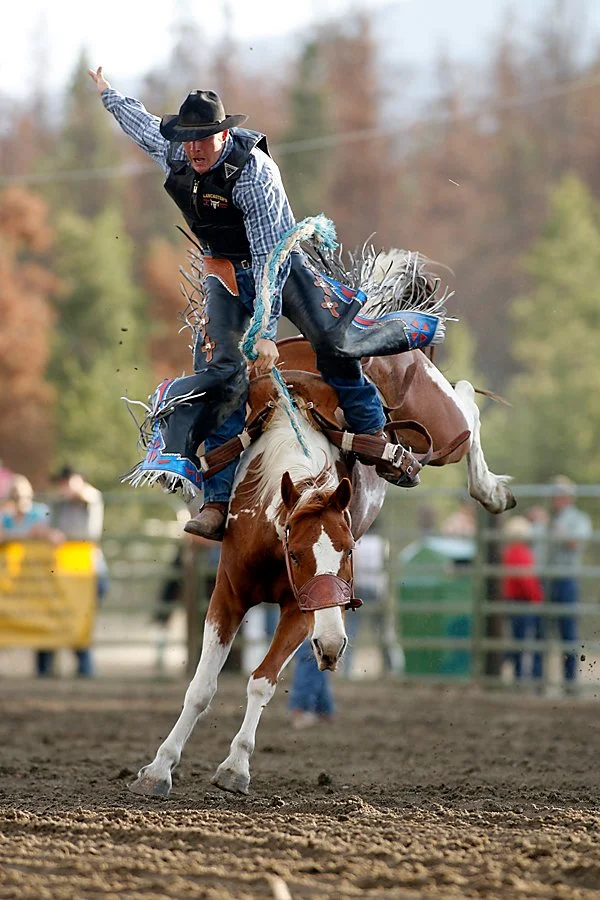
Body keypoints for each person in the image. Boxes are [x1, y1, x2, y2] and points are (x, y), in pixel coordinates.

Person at [88, 67, 446, 541]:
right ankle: (217, 498)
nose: (194, 149)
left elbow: (268, 258)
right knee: (224, 372)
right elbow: (142, 125)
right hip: (223, 269)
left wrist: (264, 331)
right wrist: (109, 95)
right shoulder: (176, 150)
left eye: (203, 139)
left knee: (332, 340)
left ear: (225, 134)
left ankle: (371, 432)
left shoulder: (255, 174)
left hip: (279, 260)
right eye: (188, 139)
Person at [35, 467, 107, 678]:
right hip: (63, 571)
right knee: (56, 617)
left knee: (80, 619)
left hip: (86, 570)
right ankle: (47, 668)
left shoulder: (90, 498)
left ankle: (85, 667)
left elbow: (90, 498)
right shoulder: (58, 505)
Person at [547, 475, 592, 688]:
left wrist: (557, 530)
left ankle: (570, 682)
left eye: (558, 495)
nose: (554, 500)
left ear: (567, 498)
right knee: (543, 632)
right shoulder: (550, 520)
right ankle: (540, 682)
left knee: (568, 633)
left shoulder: (578, 519)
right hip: (548, 580)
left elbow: (576, 543)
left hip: (567, 580)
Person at [501, 515, 544, 683]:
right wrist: (537, 599)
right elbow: (527, 580)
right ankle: (523, 676)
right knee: (522, 640)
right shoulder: (521, 553)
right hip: (522, 601)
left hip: (512, 600)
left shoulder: (508, 553)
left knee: (516, 640)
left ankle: (517, 675)